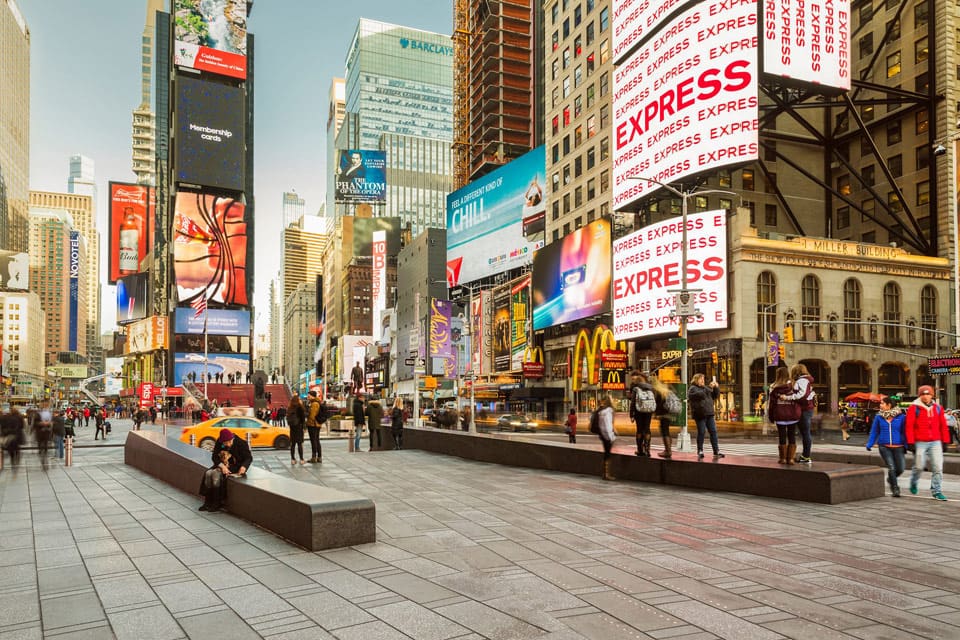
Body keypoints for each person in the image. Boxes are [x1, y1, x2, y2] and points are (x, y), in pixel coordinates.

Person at [905, 385, 950, 501]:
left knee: (938, 468)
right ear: (920, 395)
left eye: (928, 394)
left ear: (932, 395)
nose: (926, 396)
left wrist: (945, 441)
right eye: (923, 394)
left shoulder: (938, 408)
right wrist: (910, 442)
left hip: (935, 442)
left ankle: (937, 491)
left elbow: (943, 426)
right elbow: (909, 426)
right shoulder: (914, 408)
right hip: (920, 442)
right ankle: (914, 482)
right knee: (919, 466)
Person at [198, 428, 252, 512]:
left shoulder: (241, 443)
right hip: (222, 464)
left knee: (215, 474)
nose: (228, 444)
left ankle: (217, 503)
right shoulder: (219, 442)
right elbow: (214, 457)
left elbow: (248, 458)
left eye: (229, 442)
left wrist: (244, 466)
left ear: (232, 439)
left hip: (235, 466)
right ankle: (207, 502)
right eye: (225, 443)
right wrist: (222, 466)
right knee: (208, 473)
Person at [866, 396, 907, 496]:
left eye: (882, 403)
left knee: (901, 468)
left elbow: (904, 432)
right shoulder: (878, 417)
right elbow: (874, 431)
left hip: (899, 446)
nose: (880, 405)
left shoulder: (901, 417)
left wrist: (907, 444)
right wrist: (870, 443)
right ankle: (895, 489)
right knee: (891, 467)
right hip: (884, 446)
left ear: (889, 405)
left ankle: (891, 479)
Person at [783, 364, 816, 463]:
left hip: (804, 409)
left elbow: (801, 395)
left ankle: (805, 457)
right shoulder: (806, 380)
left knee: (804, 433)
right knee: (804, 433)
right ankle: (803, 456)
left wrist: (787, 397)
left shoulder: (802, 381)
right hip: (806, 409)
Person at [767, 367, 801, 464]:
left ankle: (782, 458)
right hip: (792, 414)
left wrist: (771, 416)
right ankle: (790, 459)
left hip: (780, 414)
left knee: (782, 435)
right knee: (791, 435)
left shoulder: (773, 387)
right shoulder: (793, 385)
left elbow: (771, 403)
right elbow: (798, 399)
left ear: (777, 375)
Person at [688, 373, 723, 459]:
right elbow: (701, 395)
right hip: (700, 414)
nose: (703, 381)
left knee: (713, 432)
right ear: (696, 380)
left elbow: (715, 395)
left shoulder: (706, 388)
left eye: (703, 379)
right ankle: (700, 450)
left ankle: (716, 451)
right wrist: (710, 388)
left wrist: (716, 388)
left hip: (709, 413)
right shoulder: (692, 389)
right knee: (702, 432)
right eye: (701, 379)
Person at [650, 377, 679, 458]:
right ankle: (668, 449)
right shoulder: (665, 390)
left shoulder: (658, 391)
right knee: (666, 431)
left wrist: (656, 414)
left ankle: (668, 450)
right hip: (669, 413)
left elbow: (659, 404)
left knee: (664, 431)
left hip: (663, 414)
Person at [629, 372, 656, 456]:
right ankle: (647, 449)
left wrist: (631, 415)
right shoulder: (651, 387)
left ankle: (640, 449)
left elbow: (633, 402)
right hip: (649, 411)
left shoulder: (636, 388)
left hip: (639, 411)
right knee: (647, 429)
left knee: (639, 429)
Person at [597, 394, 616, 480]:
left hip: (603, 434)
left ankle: (605, 473)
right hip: (607, 436)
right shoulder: (608, 411)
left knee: (606, 454)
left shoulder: (602, 411)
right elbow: (607, 425)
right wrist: (611, 437)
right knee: (607, 454)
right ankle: (606, 474)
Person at [305, 390, 324, 463]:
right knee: (316, 440)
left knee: (314, 441)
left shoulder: (314, 404)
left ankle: (314, 457)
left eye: (309, 396)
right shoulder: (315, 403)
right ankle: (319, 457)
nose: (307, 397)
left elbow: (312, 416)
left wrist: (307, 424)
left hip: (313, 425)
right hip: (316, 424)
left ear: (312, 396)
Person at [287, 395, 306, 465]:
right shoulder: (299, 407)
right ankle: (301, 459)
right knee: (299, 443)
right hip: (299, 427)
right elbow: (303, 418)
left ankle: (293, 459)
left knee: (293, 444)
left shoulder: (289, 408)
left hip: (292, 428)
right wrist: (304, 427)